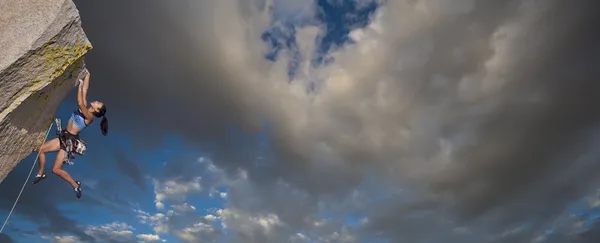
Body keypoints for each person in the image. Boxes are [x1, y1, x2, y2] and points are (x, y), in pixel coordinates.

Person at [31, 70, 108, 199]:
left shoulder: (89, 117)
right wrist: (88, 75)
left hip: (69, 143)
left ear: (96, 110)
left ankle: (75, 185)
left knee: (56, 169)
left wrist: (79, 84)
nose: (96, 101)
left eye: (98, 103)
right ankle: (40, 174)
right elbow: (85, 91)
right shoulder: (85, 106)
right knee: (40, 149)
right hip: (64, 136)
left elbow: (79, 100)